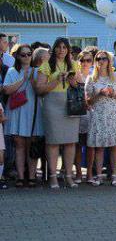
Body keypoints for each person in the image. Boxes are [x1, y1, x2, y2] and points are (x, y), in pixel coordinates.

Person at [37, 37, 80, 188]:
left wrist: (72, 80)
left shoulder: (74, 64)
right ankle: (53, 176)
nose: (61, 50)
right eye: (59, 47)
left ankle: (68, 176)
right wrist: (56, 80)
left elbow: (79, 85)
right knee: (53, 141)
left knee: (70, 141)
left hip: (70, 104)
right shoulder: (46, 65)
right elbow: (40, 89)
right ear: (54, 48)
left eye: (64, 47)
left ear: (68, 50)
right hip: (52, 104)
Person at [3, 44, 44, 187]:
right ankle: (21, 177)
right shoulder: (12, 71)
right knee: (19, 144)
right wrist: (23, 79)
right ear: (17, 57)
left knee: (31, 144)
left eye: (29, 54)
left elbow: (40, 91)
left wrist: (32, 80)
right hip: (17, 110)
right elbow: (7, 90)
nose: (26, 57)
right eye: (23, 55)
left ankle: (32, 176)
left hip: (33, 111)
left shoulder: (38, 71)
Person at [85, 50, 116, 186]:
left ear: (109, 61)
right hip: (98, 114)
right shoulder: (91, 78)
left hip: (113, 113)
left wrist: (113, 93)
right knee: (99, 146)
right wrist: (100, 93)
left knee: (114, 145)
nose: (100, 61)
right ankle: (99, 176)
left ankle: (114, 175)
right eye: (98, 58)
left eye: (103, 58)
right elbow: (88, 101)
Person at [74, 51, 94, 183]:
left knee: (91, 145)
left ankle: (90, 173)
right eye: (82, 60)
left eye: (88, 60)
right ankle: (79, 173)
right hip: (78, 114)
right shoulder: (75, 75)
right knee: (77, 145)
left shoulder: (94, 75)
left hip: (92, 113)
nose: (85, 63)